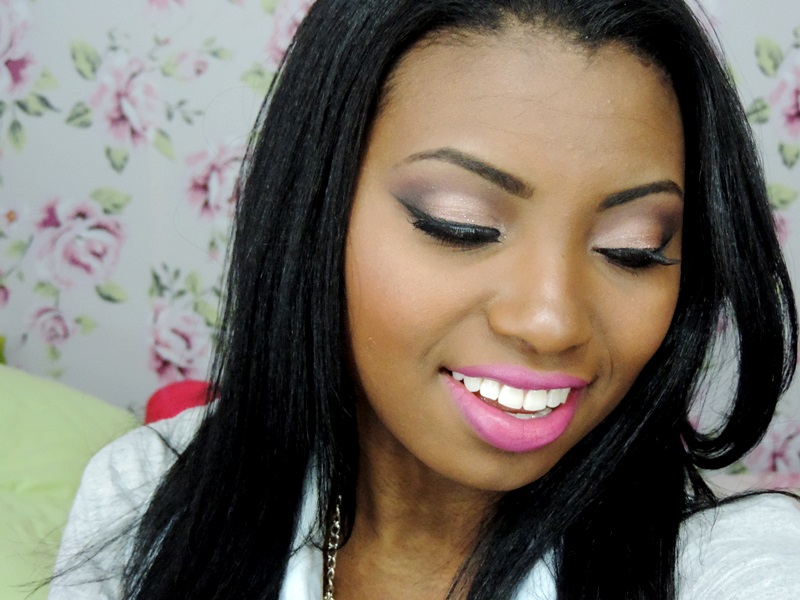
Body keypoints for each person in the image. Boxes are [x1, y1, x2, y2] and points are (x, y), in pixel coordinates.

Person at [49, 0, 800, 598]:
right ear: (317, 211)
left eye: (632, 248)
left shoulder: (730, 564)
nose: (551, 321)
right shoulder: (145, 495)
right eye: (460, 225)